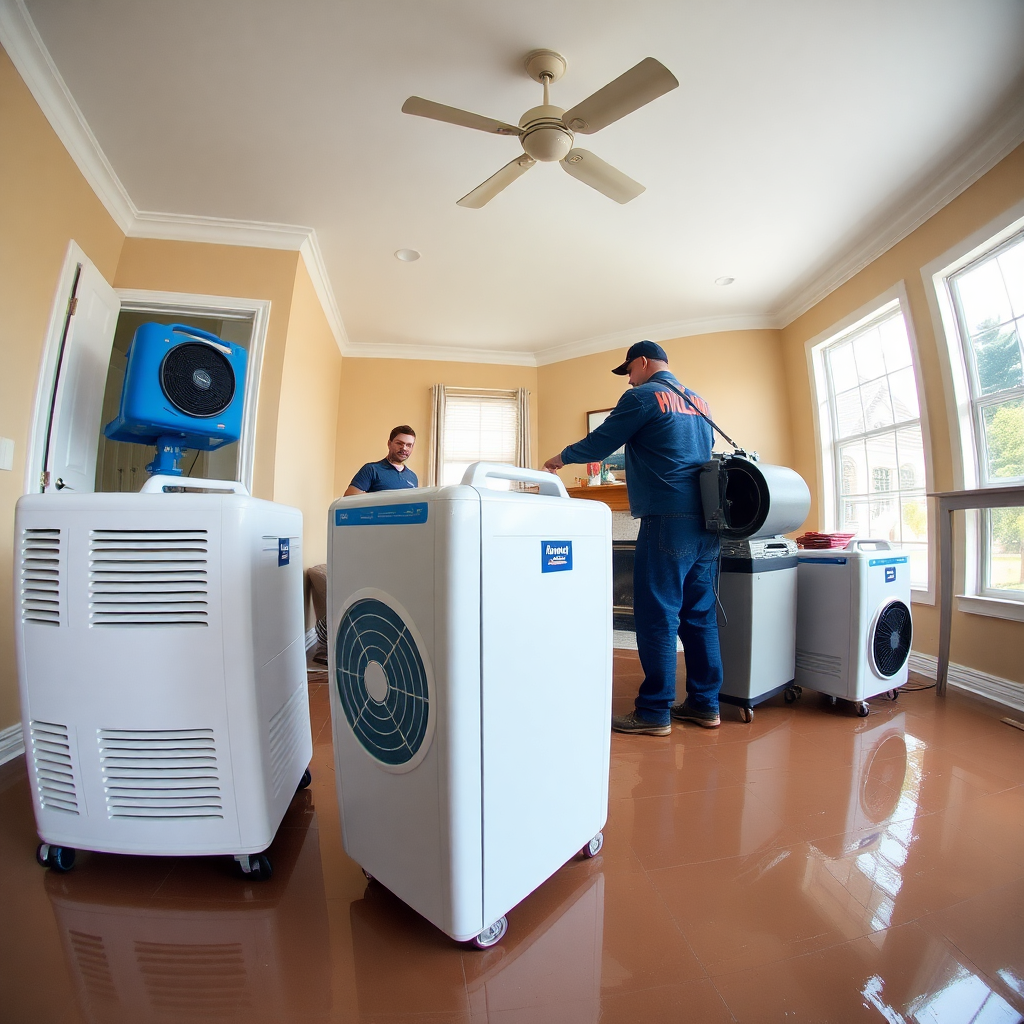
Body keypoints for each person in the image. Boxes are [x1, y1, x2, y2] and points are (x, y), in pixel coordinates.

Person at [542, 340, 723, 735]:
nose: (628, 378)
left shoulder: (643, 396)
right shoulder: (700, 403)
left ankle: (654, 712)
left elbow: (602, 442)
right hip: (709, 520)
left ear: (642, 362)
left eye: (628, 370)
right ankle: (705, 705)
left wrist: (561, 457)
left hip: (667, 517)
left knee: (657, 614)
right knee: (699, 615)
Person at [345, 426, 419, 495]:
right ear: (389, 444)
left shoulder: (413, 477)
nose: (404, 448)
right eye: (399, 443)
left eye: (409, 445)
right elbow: (349, 498)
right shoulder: (371, 469)